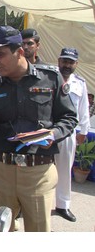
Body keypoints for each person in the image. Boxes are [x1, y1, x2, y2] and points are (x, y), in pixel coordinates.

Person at [0, 25, 78, 232]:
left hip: (38, 172)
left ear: (19, 52)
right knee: (1, 229)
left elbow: (69, 118)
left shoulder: (50, 78)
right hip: (1, 171)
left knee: (38, 232)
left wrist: (53, 133)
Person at [54, 47, 90, 222]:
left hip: (67, 133)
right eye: (64, 61)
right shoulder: (50, 78)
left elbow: (83, 110)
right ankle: (32, 203)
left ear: (76, 64)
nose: (66, 65)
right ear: (58, 61)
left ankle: (63, 205)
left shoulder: (80, 83)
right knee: (38, 170)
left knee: (64, 170)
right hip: (48, 131)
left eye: (70, 62)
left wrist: (84, 130)